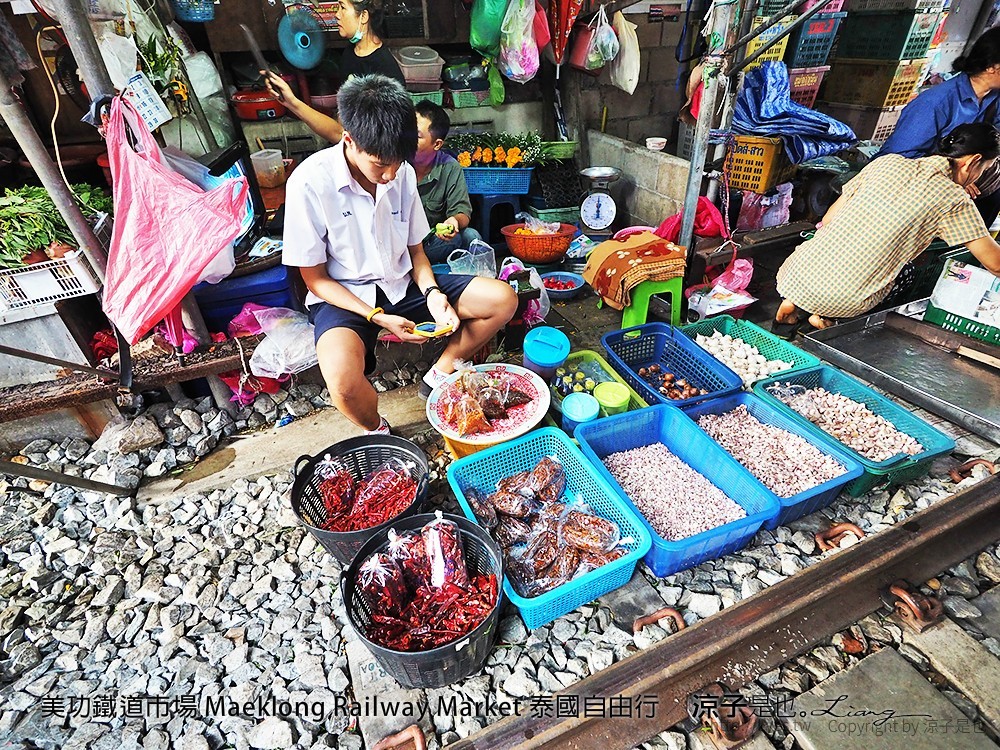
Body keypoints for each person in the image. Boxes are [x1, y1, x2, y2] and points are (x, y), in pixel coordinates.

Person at [281, 74, 518, 435]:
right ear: (349, 140)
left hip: (402, 285)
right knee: (343, 384)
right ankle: (379, 430)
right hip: (344, 297)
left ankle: (441, 370)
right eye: (380, 164)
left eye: (398, 163)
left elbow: (416, 251)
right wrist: (376, 317)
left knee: (503, 299)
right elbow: (315, 279)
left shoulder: (402, 171)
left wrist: (433, 294)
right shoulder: (309, 182)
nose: (391, 175)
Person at [773, 123, 1000, 337]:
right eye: (985, 169)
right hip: (845, 297)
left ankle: (795, 303)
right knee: (905, 272)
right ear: (972, 161)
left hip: (794, 273)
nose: (981, 176)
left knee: (842, 255)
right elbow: (995, 264)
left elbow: (830, 217)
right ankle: (831, 316)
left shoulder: (887, 162)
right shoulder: (952, 198)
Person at [880, 27, 1000, 224]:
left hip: (971, 180)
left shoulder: (994, 98)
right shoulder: (935, 103)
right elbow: (895, 160)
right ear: (992, 67)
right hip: (921, 185)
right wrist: (953, 177)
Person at [262, 0, 405, 144]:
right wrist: (290, 101)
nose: (337, 15)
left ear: (364, 16)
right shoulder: (350, 54)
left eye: (342, 7)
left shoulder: (385, 71)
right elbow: (342, 123)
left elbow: (342, 135)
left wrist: (293, 102)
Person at [413, 100, 483, 264]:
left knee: (470, 237)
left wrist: (454, 221)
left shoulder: (450, 167)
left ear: (437, 144)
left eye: (416, 136)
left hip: (431, 243)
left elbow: (462, 211)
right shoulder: (395, 164)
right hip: (400, 248)